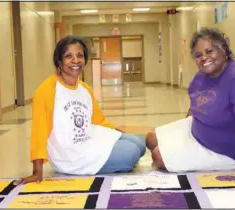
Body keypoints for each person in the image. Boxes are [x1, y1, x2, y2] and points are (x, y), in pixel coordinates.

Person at [146, 27, 235, 184]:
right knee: (150, 138)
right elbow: (195, 107)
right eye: (198, 55)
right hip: (199, 129)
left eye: (209, 51)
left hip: (225, 150)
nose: (204, 58)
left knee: (158, 155)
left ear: (223, 49)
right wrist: (184, 137)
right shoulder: (201, 75)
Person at [16, 36, 145, 185]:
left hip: (88, 139)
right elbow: (39, 131)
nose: (75, 61)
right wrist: (37, 171)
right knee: (131, 152)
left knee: (138, 143)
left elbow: (98, 120)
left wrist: (115, 131)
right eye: (68, 56)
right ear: (59, 61)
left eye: (80, 56)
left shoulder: (85, 88)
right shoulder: (46, 91)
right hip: (70, 156)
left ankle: (115, 154)